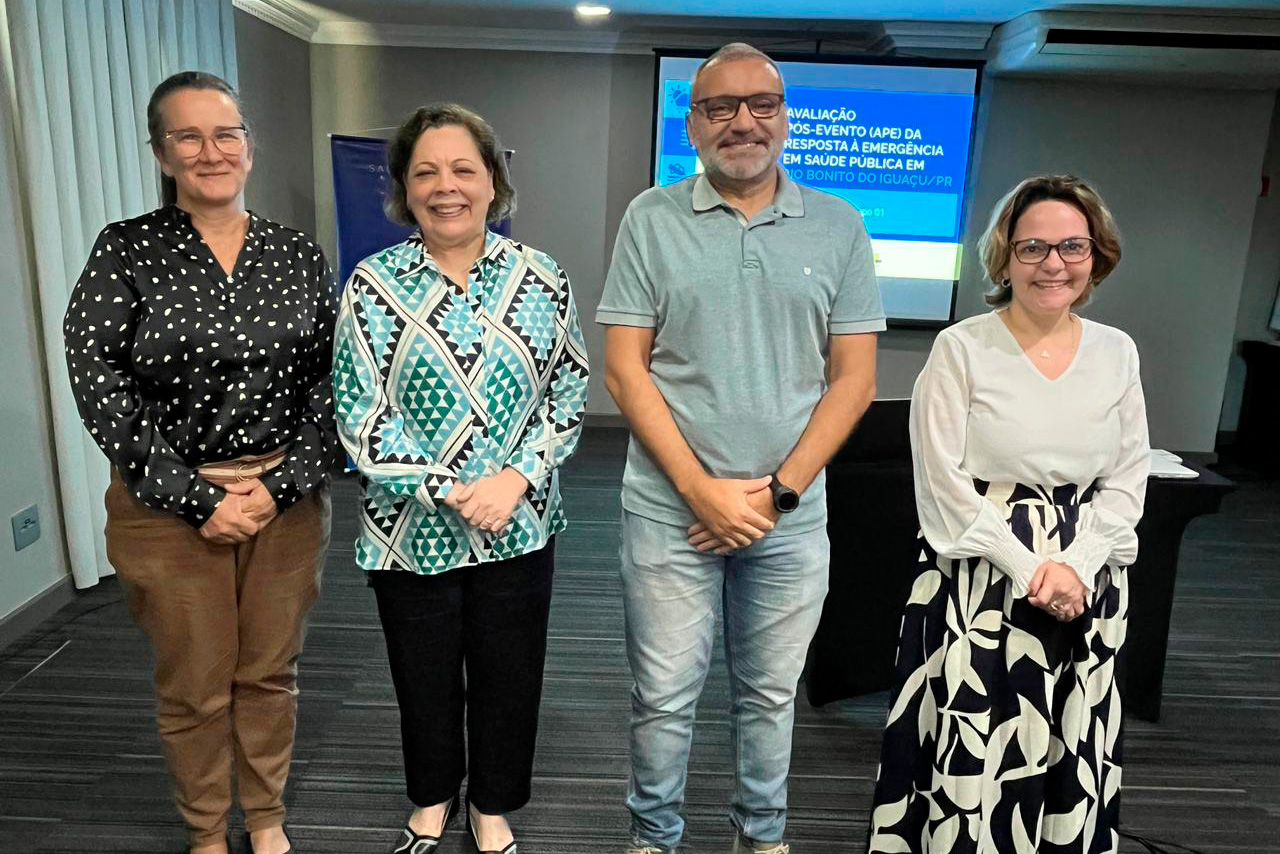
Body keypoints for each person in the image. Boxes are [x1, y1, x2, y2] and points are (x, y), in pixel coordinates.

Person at [599, 43, 884, 854]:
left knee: (769, 697)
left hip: (788, 517)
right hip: (670, 513)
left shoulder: (839, 224)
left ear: (785, 118)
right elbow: (625, 370)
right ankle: (654, 839)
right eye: (719, 107)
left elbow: (854, 381)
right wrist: (702, 492)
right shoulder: (650, 218)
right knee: (663, 697)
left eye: (762, 104)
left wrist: (777, 493)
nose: (742, 122)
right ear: (693, 124)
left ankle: (761, 836)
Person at [63, 71, 339, 854]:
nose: (210, 151)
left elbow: (335, 383)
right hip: (166, 511)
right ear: (162, 153)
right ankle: (206, 830)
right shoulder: (126, 249)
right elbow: (98, 381)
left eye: (225, 134)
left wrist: (276, 488)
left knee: (270, 673)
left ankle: (266, 817)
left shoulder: (297, 253)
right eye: (188, 136)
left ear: (249, 146)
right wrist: (200, 500)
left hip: (284, 505)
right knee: (194, 684)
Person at [332, 103, 589, 854]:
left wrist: (515, 478)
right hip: (411, 529)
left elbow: (569, 389)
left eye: (463, 169)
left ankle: (493, 805)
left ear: (493, 183)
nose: (446, 187)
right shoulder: (373, 285)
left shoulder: (542, 277)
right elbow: (360, 413)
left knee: (511, 674)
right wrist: (450, 487)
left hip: (519, 519)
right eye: (426, 173)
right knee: (423, 676)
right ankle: (432, 797)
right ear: (403, 190)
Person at [866, 174, 1149, 853]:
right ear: (1004, 257)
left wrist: (1076, 566)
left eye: (1072, 246)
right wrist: (1029, 570)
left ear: (1095, 255)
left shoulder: (1117, 351)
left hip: (1085, 580)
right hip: (979, 580)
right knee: (973, 741)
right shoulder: (961, 347)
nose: (1054, 263)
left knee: (1066, 740)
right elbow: (941, 483)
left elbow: (1128, 473)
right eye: (1033, 247)